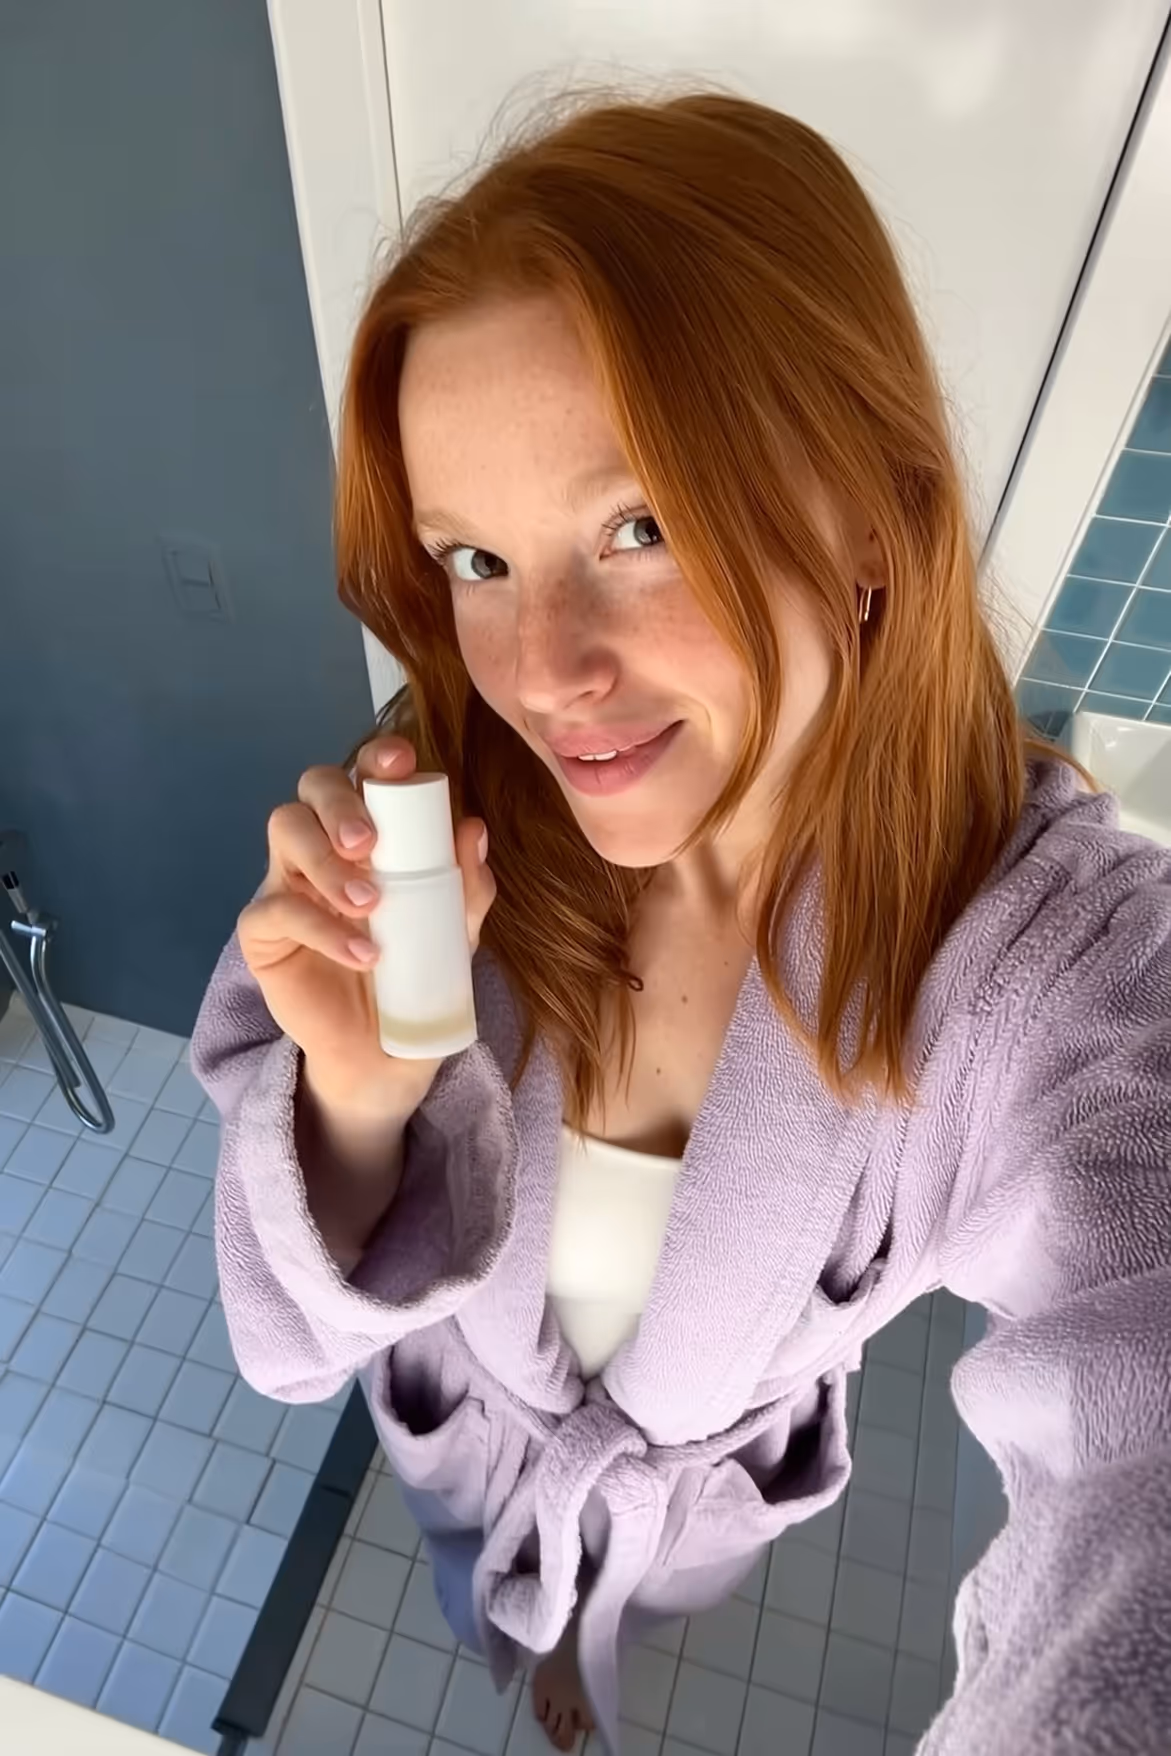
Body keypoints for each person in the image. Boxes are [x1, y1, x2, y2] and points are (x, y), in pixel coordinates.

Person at [192, 92, 1171, 1754]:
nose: (541, 673)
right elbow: (284, 1342)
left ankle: (587, 1653)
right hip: (457, 1432)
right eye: (476, 557)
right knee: (477, 1584)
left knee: (628, 1614)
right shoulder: (430, 825)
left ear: (867, 515)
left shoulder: (1030, 953)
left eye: (638, 527)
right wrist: (353, 1098)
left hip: (687, 1498)